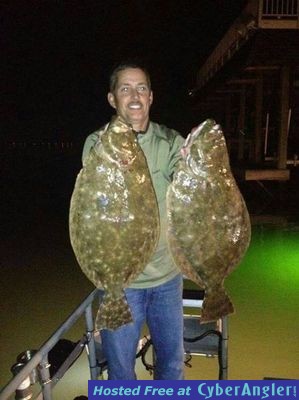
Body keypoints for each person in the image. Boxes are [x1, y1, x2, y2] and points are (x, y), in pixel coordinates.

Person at [82, 61, 185, 380]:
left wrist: (198, 165)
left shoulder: (170, 142)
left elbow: (189, 192)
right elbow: (94, 214)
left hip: (167, 276)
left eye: (141, 87)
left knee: (171, 364)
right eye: (125, 88)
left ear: (151, 96)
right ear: (112, 99)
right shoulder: (96, 144)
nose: (135, 95)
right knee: (120, 369)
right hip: (120, 282)